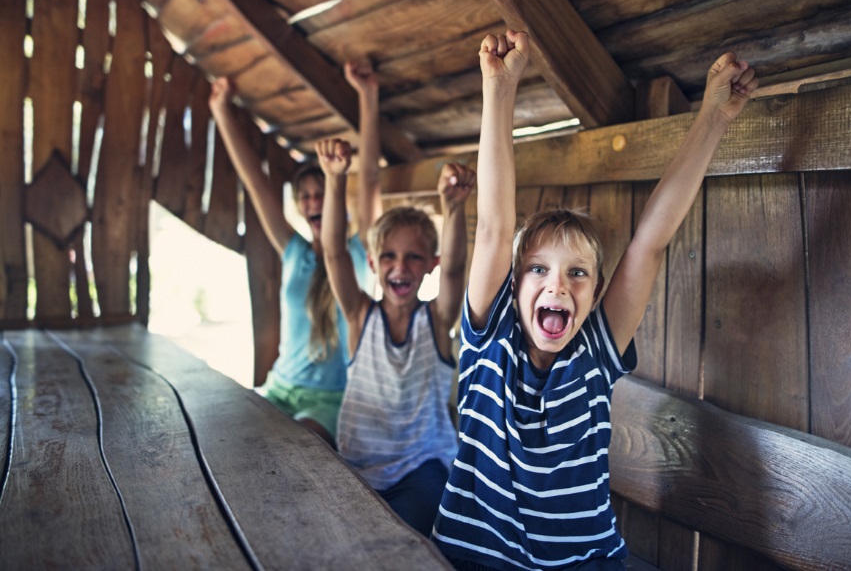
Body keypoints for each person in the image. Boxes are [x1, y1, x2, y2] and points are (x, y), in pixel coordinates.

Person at [431, 31, 758, 570]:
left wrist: (714, 118)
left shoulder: (593, 356)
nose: (557, 285)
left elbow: (650, 240)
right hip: (472, 560)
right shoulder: (489, 338)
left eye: (577, 273)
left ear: (596, 294)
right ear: (512, 287)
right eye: (537, 269)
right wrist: (499, 87)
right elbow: (492, 227)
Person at [208, 61, 384, 448]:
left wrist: (367, 97)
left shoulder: (358, 251)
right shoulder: (293, 252)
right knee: (221, 431)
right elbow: (255, 182)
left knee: (298, 449)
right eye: (304, 196)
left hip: (332, 400)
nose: (313, 201)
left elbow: (369, 177)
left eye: (320, 192)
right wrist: (222, 111)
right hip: (279, 388)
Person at [316, 137, 476, 536]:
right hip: (357, 466)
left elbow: (457, 270)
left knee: (400, 537)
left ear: (430, 266)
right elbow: (334, 251)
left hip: (421, 467)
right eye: (388, 255)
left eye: (414, 257)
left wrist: (453, 207)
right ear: (372, 262)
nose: (399, 266)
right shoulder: (359, 316)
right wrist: (335, 180)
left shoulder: (438, 321)